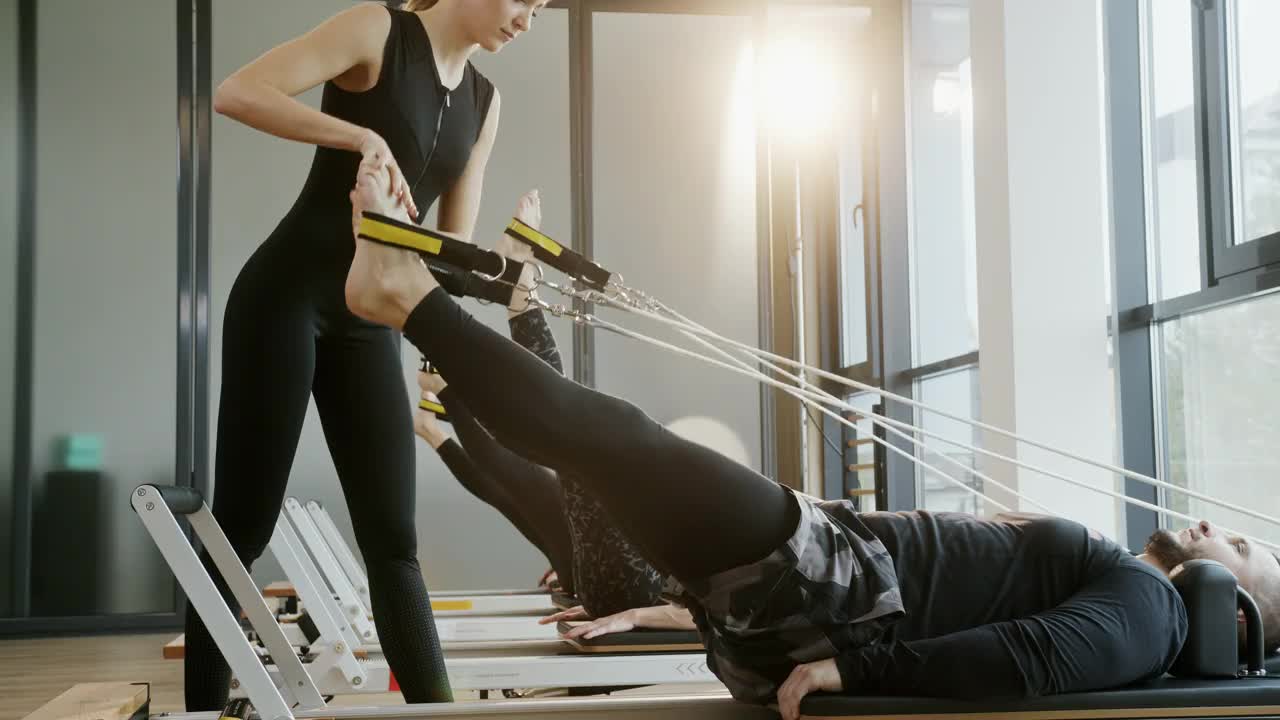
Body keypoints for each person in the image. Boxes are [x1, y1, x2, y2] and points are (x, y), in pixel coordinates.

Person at [341, 158, 1279, 718]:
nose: (1212, 532)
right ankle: (414, 303)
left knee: (608, 443)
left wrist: (858, 665)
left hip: (830, 588)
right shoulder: (1130, 592)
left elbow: (1028, 661)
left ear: (1237, 613)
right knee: (597, 451)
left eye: (1239, 550)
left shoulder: (1152, 613)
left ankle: (406, 299)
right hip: (824, 579)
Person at [186, 0, 548, 709]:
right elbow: (235, 92)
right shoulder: (377, 32)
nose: (528, 21)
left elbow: (440, 260)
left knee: (394, 542)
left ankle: (434, 711)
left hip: (369, 323)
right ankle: (200, 707)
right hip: (285, 297)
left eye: (541, 9)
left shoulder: (485, 100)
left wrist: (507, 259)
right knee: (243, 526)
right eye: (523, 0)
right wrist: (359, 137)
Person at [412, 192, 666, 616]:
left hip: (631, 591)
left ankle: (511, 306)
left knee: (570, 445)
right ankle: (502, 319)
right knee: (544, 469)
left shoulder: (801, 566)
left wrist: (648, 613)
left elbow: (710, 606)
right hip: (616, 584)